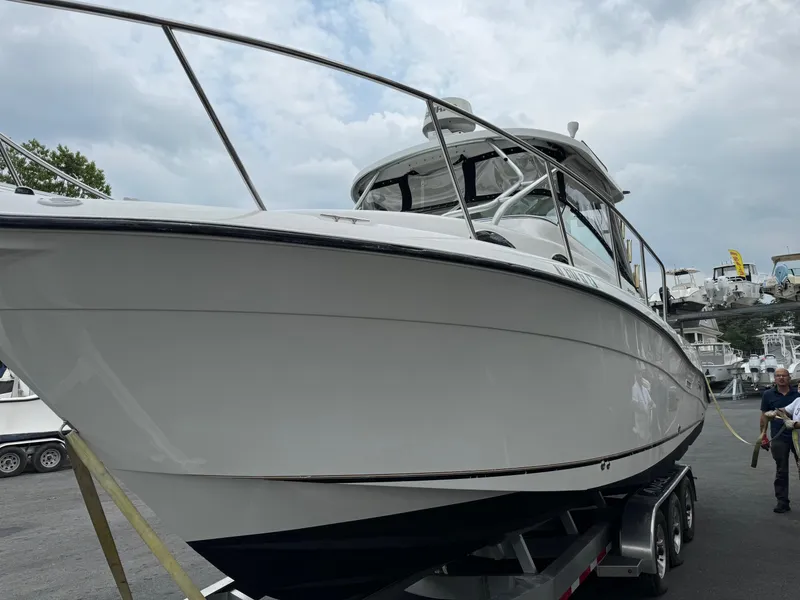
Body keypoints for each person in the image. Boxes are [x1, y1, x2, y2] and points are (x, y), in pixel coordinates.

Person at [760, 367, 800, 513]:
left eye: (784, 375)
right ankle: (782, 501)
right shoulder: (768, 395)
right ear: (774, 379)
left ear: (789, 377)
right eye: (778, 376)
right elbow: (764, 416)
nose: (781, 378)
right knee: (781, 471)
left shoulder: (798, 394)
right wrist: (763, 436)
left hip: (798, 438)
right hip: (779, 437)